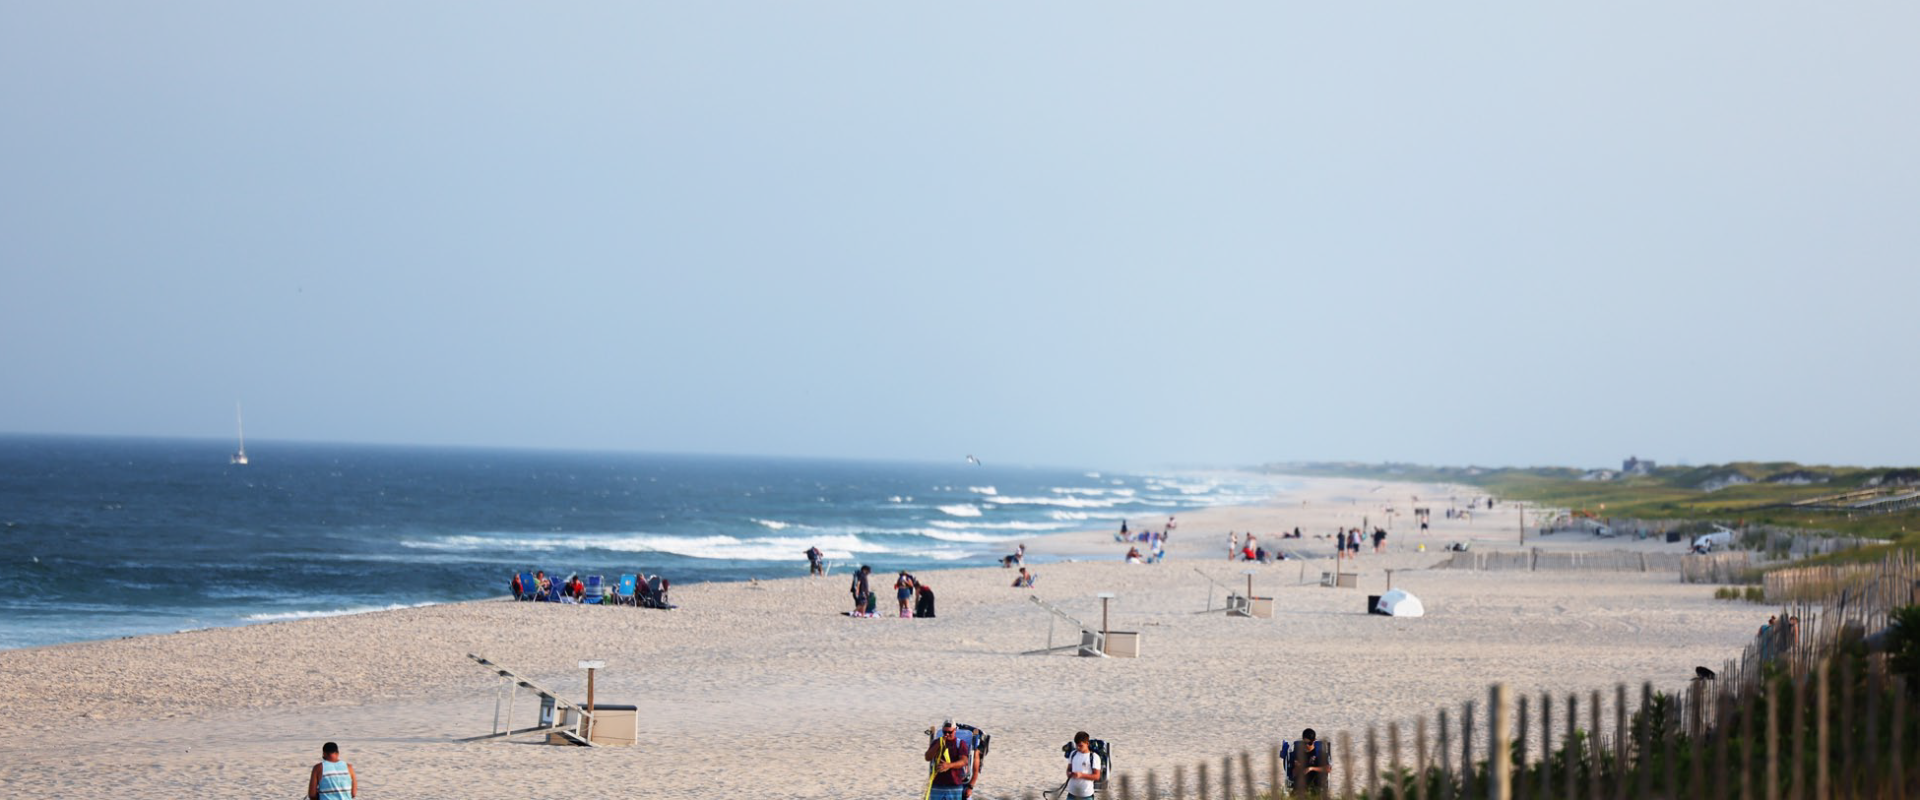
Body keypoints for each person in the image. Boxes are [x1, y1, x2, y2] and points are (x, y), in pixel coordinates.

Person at [925, 719, 974, 800]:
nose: (947, 734)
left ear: (955, 731)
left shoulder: (960, 744)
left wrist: (949, 765)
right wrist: (938, 744)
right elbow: (928, 757)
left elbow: (964, 761)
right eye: (944, 732)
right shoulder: (937, 742)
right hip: (937, 784)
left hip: (954, 785)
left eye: (950, 732)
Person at [1065, 730, 1103, 799]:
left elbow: (1097, 776)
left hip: (1086, 795)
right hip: (1071, 794)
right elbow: (1068, 769)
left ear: (1087, 744)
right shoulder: (1073, 754)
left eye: (1081, 746)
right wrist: (1069, 774)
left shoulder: (1094, 757)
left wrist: (1081, 775)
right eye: (1077, 745)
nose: (1078, 748)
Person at [1292, 728, 1329, 794]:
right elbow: (1294, 773)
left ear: (1314, 740)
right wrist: (1297, 767)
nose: (1307, 745)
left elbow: (1328, 769)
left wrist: (1311, 768)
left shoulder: (1319, 753)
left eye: (1309, 743)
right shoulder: (1300, 754)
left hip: (1316, 780)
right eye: (1305, 743)